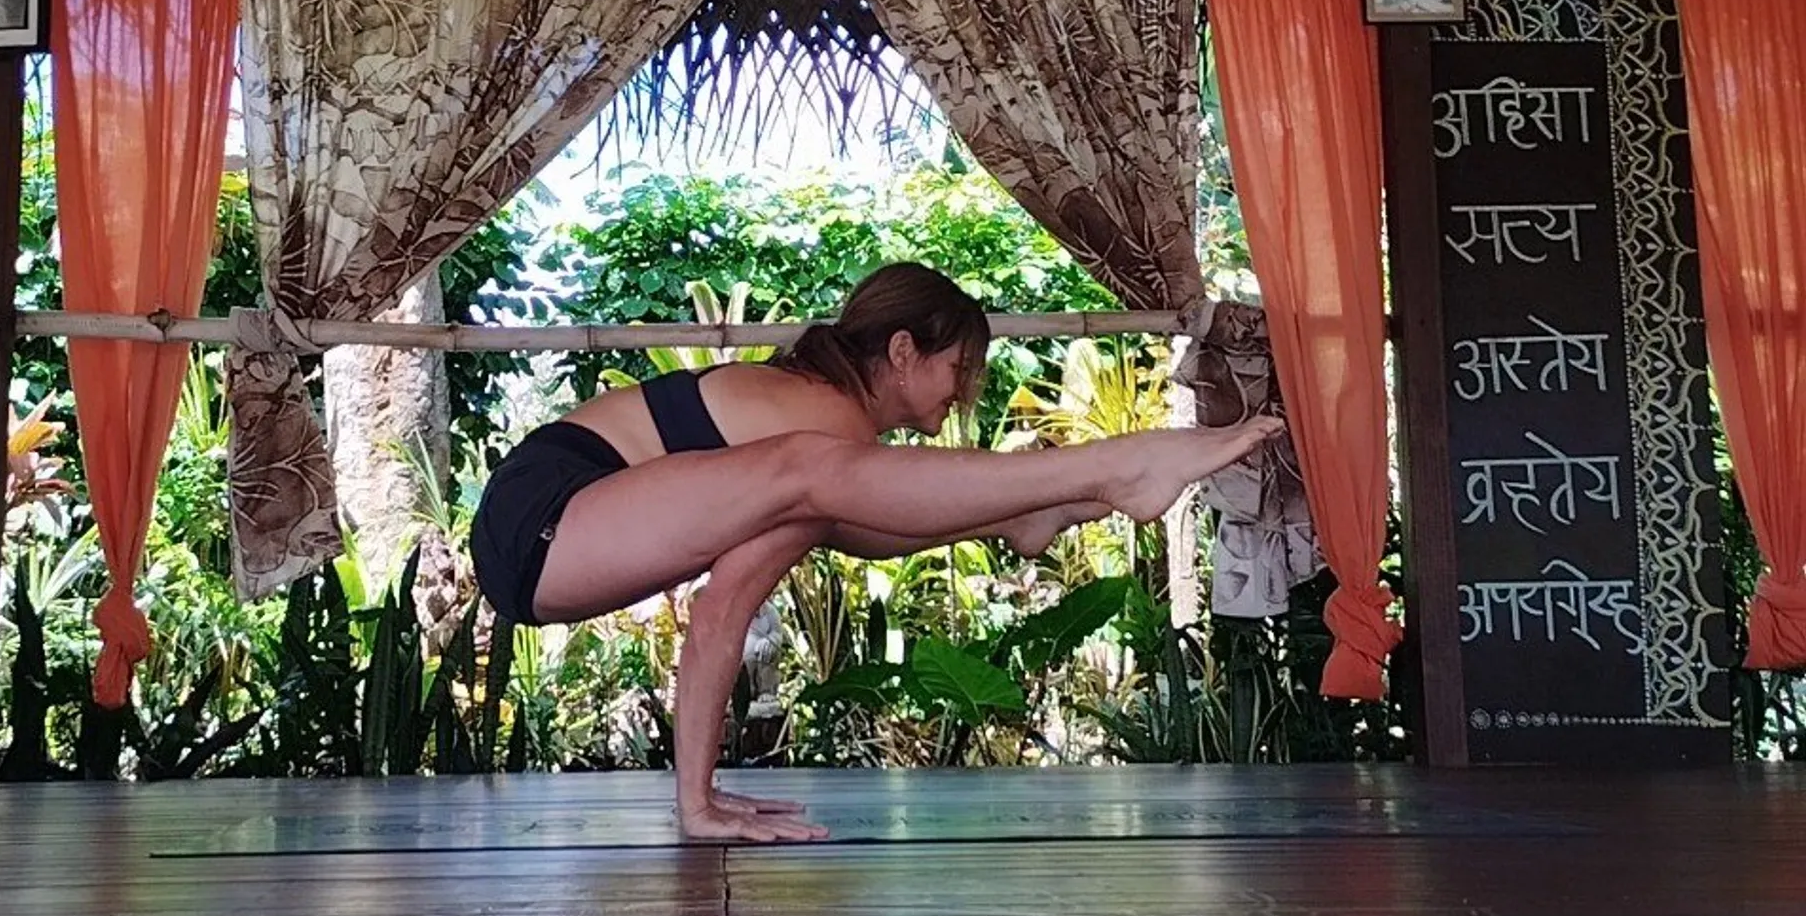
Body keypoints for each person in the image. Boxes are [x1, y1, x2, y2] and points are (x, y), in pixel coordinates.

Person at [468, 262, 1284, 843]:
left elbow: (871, 530)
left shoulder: (822, 436)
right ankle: (1111, 464)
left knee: (834, 504)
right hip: (542, 521)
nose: (963, 392)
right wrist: (696, 802)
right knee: (820, 479)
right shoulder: (825, 424)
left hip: (551, 533)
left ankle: (1035, 509)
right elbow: (722, 610)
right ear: (901, 352)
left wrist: (1017, 515)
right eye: (957, 368)